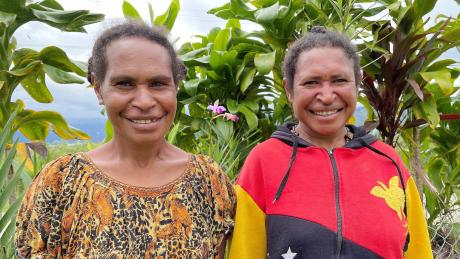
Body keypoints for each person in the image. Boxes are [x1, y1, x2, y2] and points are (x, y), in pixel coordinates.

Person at [15, 21, 235, 258]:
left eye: (158, 84)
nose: (144, 101)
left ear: (176, 87)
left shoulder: (209, 182)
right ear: (98, 89)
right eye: (125, 84)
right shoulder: (62, 182)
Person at [228, 26, 432, 259]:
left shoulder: (389, 163)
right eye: (311, 82)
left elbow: (419, 252)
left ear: (357, 84)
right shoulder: (263, 162)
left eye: (339, 80)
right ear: (289, 90)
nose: (326, 96)